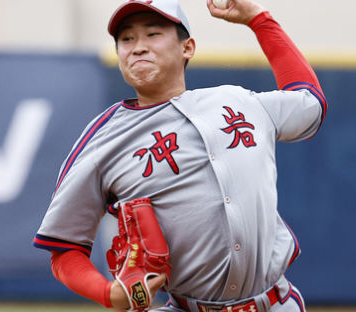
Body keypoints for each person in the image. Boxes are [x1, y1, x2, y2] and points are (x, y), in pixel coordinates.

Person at [33, 0, 327, 311]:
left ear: (187, 48)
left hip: (276, 303)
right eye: (127, 39)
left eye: (153, 34)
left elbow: (309, 102)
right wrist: (108, 293)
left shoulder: (239, 101)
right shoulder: (102, 141)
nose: (138, 47)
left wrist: (259, 20)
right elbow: (64, 247)